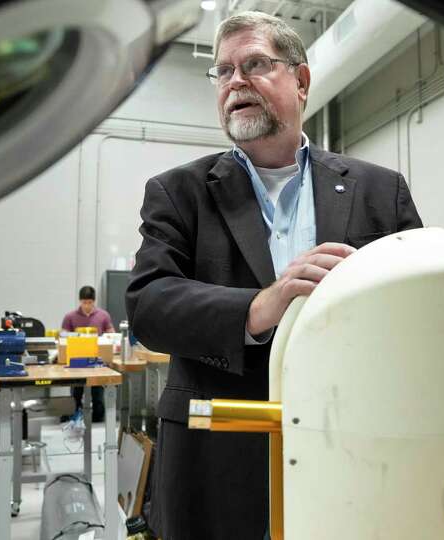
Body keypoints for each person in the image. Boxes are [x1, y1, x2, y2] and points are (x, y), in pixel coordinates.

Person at [126, 11, 423, 540]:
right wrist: (262, 305)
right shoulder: (180, 193)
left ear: (301, 80)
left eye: (255, 64)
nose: (234, 81)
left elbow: (421, 306)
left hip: (354, 449)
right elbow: (150, 304)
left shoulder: (381, 191)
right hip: (217, 460)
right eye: (223, 72)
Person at [62, 285, 114, 422]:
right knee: (76, 391)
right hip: (76, 361)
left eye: (89, 302)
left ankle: (98, 417)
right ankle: (74, 415)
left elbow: (111, 334)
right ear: (80, 301)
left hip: (96, 360)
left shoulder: (103, 316)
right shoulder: (70, 317)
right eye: (84, 302)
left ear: (94, 301)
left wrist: (109, 338)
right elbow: (63, 337)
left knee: (97, 391)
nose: (87, 305)